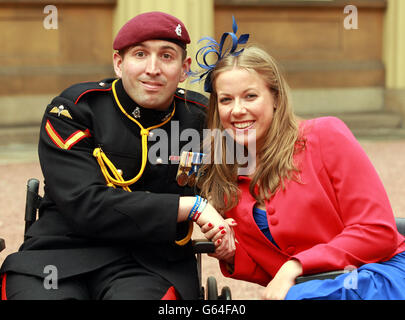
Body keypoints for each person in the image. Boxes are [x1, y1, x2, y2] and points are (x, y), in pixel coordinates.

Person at [0, 11, 232, 300]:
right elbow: (86, 204)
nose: (153, 68)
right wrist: (191, 206)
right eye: (139, 54)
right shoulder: (75, 109)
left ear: (184, 68)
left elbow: (255, 167)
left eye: (167, 56)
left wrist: (230, 229)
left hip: (149, 265)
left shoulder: (202, 118)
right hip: (59, 255)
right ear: (119, 63)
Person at [194, 26, 405, 299]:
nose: (237, 110)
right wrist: (231, 253)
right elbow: (267, 270)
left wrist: (295, 267)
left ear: (276, 99)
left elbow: (378, 232)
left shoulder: (325, 135)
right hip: (311, 289)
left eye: (250, 96)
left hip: (378, 273)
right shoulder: (226, 177)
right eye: (226, 100)